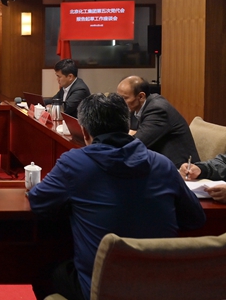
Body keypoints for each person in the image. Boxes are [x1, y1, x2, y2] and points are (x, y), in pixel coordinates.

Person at [28, 93, 205, 300]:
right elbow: (195, 218)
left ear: (84, 132)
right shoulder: (162, 164)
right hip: (159, 287)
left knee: (41, 268)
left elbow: (38, 200)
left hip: (102, 289)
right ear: (127, 125)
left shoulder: (74, 163)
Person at [116, 75, 199, 167]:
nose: (119, 102)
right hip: (158, 162)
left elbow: (135, 144)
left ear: (141, 96)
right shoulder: (136, 107)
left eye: (124, 98)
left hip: (181, 168)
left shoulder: (157, 110)